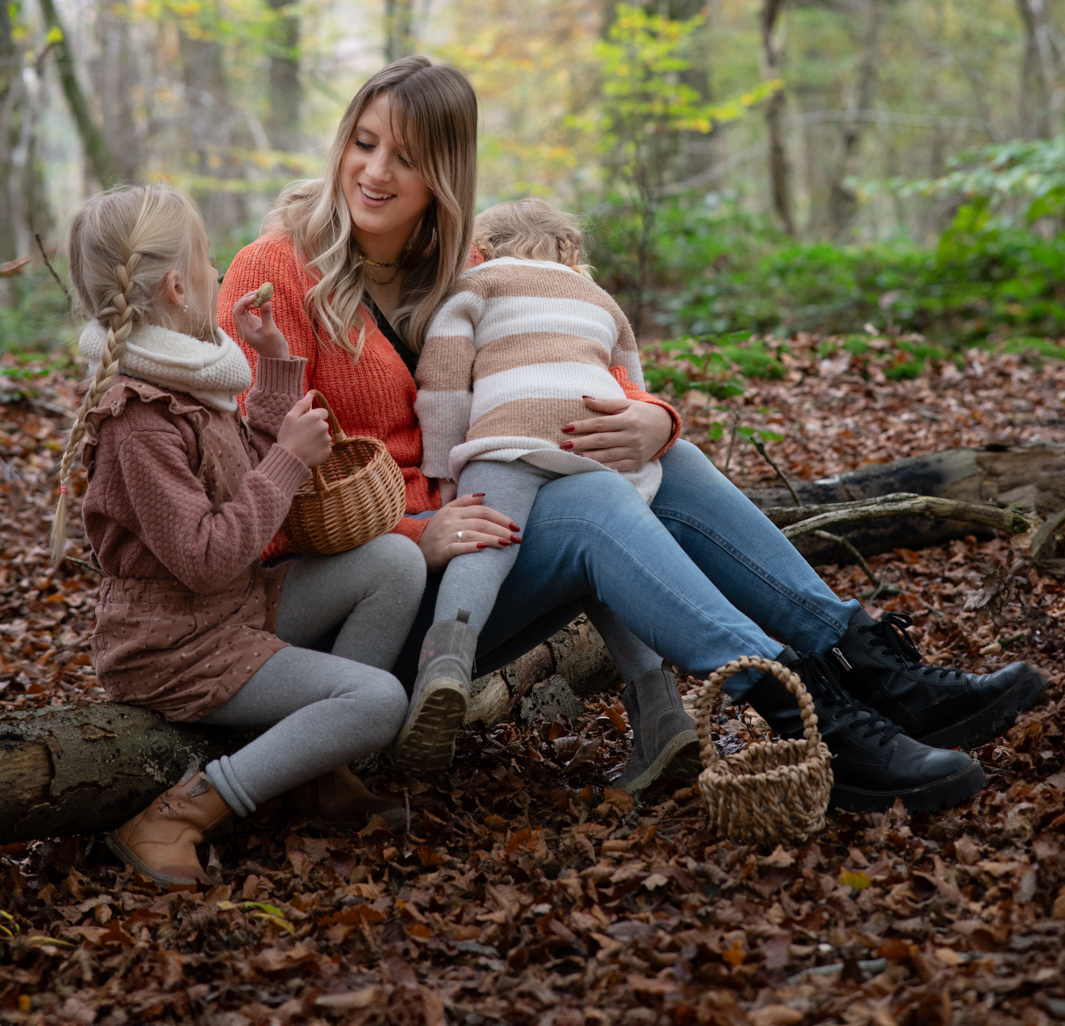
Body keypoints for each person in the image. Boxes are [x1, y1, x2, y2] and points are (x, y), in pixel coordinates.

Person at [220, 55, 1047, 816]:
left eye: (404, 155)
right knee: (587, 502)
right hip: (365, 606)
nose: (374, 171)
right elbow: (248, 478)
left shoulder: (465, 268)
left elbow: (563, 353)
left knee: (665, 459)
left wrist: (651, 415)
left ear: (445, 172)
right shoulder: (273, 272)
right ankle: (814, 719)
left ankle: (874, 668)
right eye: (363, 143)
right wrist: (416, 532)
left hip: (480, 552)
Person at [57, 183, 426, 891]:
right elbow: (207, 555)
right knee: (377, 701)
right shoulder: (138, 417)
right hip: (176, 646)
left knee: (393, 561)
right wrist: (289, 460)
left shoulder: (189, 373)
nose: (217, 270)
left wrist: (276, 365)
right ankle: (180, 814)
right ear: (174, 285)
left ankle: (319, 775)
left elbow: (242, 477)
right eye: (204, 259)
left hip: (232, 610)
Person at [398, 197, 666, 770]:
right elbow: (632, 383)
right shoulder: (599, 298)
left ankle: (443, 667)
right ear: (571, 251)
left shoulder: (474, 285)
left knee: (484, 538)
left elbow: (442, 382)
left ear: (484, 246)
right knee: (603, 564)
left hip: (510, 435)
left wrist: (445, 472)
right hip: (595, 438)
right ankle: (661, 705)